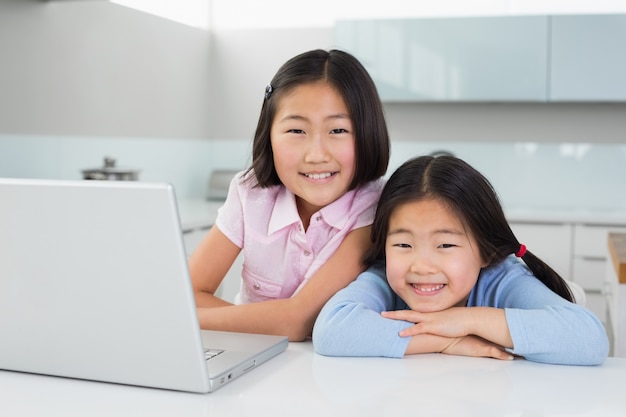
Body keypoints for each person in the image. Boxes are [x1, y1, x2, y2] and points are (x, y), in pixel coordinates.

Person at [313, 155, 609, 365]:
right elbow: (332, 331)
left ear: (485, 252)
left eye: (445, 244)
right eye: (403, 244)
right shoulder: (384, 278)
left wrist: (465, 320)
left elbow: (589, 339)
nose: (422, 266)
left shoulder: (502, 279)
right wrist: (447, 340)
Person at [189, 49, 390, 341]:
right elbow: (189, 291)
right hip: (251, 358)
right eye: (296, 130)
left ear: (368, 134)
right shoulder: (250, 192)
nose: (316, 155)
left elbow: (298, 321)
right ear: (268, 136)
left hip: (331, 371)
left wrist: (184, 320)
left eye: (338, 130)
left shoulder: (374, 208)